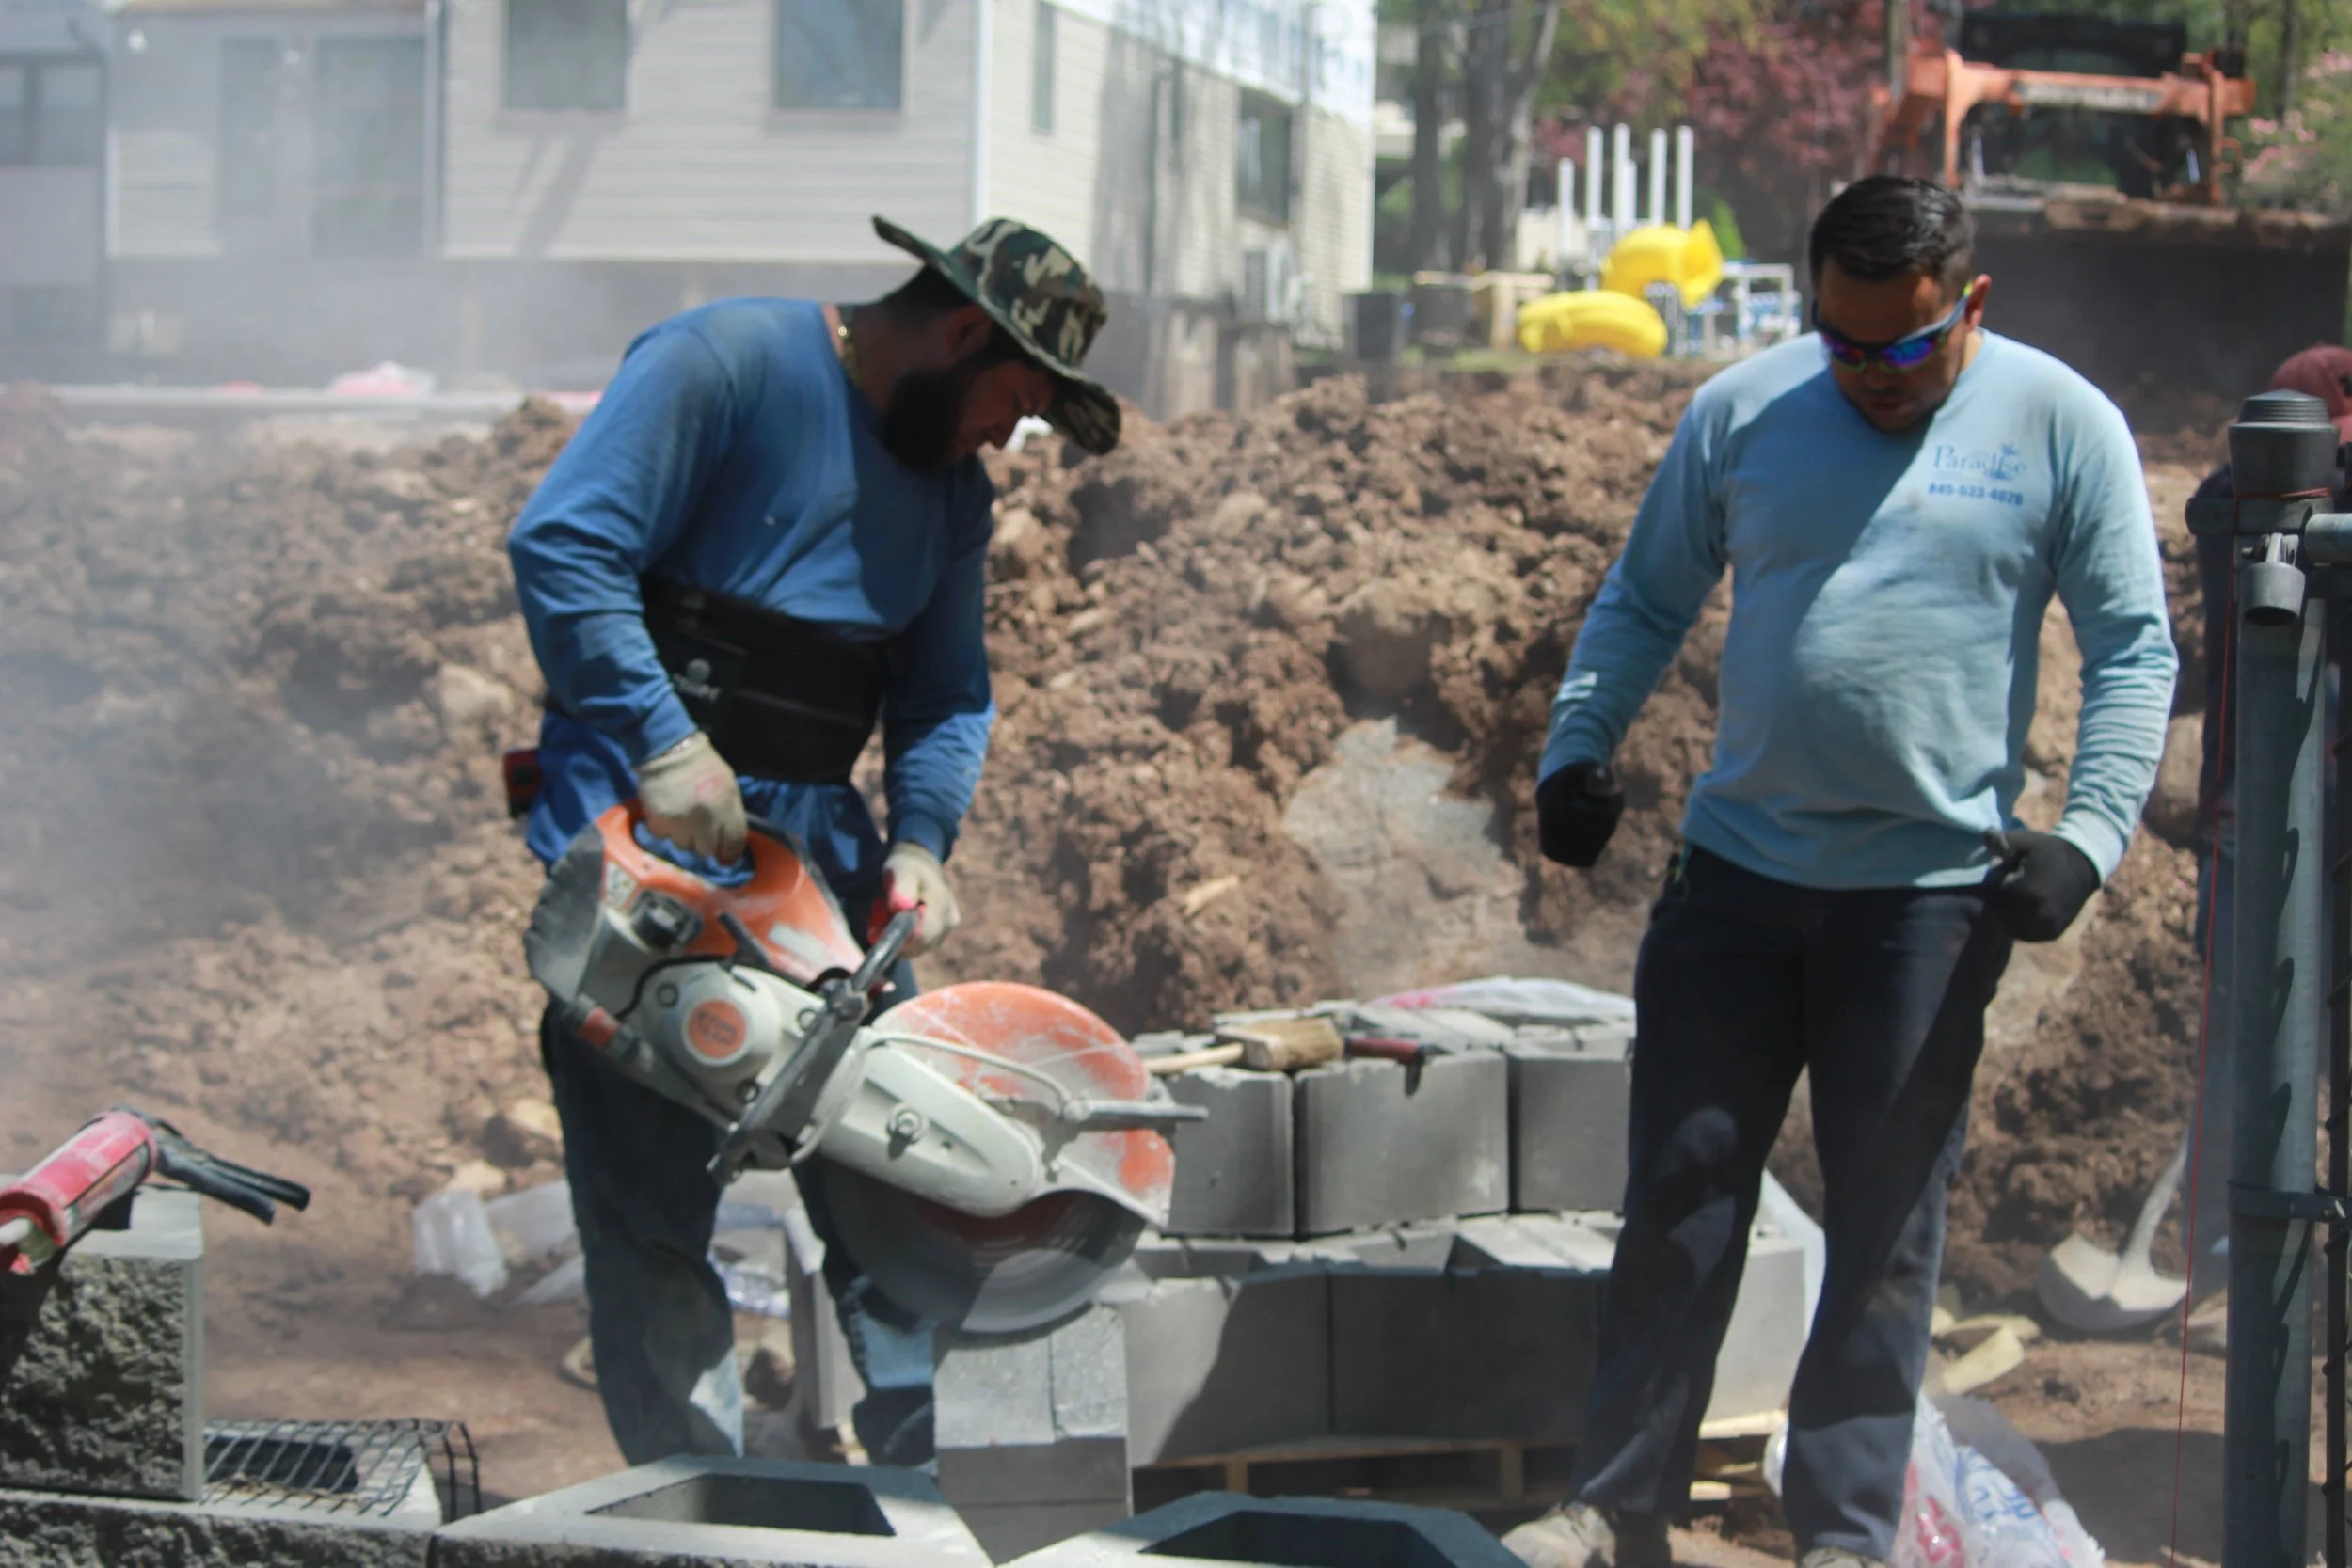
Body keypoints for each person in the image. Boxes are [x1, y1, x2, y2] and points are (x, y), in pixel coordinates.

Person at [1505, 175, 2177, 1568]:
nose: (1870, 376)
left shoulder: (2063, 424)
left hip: (1928, 901)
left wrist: (2089, 838)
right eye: (1843, 342)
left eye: (1905, 347)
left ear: (1970, 303)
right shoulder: (1745, 409)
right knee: (1681, 1196)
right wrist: (1578, 747)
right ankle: (1619, 1500)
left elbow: (2133, 648)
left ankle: (1845, 1529)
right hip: (1736, 880)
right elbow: (1646, 595)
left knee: (1885, 1223)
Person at [505, 216, 1120, 1470]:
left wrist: (924, 840)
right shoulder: (719, 366)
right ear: (959, 334)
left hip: (821, 882)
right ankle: (698, 1505)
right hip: (651, 856)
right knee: (653, 1213)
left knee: (905, 1173)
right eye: (1014, 399)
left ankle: (928, 1486)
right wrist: (665, 740)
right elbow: (563, 545)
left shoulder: (951, 498)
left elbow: (945, 695)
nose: (1008, 435)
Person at [2179, 345, 2352, 1319]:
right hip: (2257, 819)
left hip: (2322, 821)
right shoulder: (2234, 506)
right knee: (2242, 1045)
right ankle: (2227, 1267)